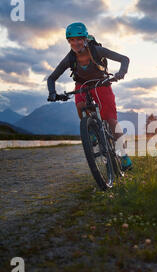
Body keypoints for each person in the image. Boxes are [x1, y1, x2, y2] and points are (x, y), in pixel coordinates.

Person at [47, 22, 132, 170]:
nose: (76, 43)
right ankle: (91, 130)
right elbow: (51, 78)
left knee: (111, 120)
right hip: (82, 84)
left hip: (102, 82)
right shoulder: (70, 58)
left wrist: (121, 73)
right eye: (72, 40)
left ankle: (123, 155)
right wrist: (52, 93)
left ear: (85, 39)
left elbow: (124, 59)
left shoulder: (97, 51)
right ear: (68, 41)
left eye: (79, 39)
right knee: (80, 105)